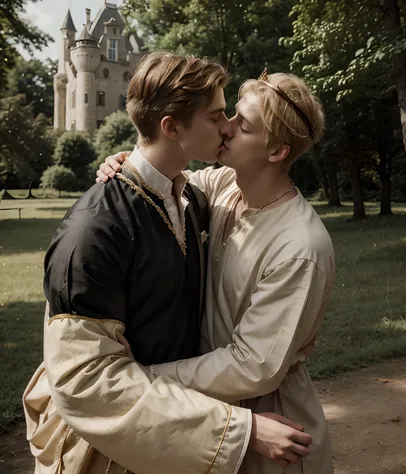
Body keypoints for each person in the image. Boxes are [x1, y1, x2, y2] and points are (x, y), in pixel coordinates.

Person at [23, 53, 313, 474]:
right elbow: (84, 383)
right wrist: (241, 430)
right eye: (216, 117)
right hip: (106, 453)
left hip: (174, 439)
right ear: (172, 127)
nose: (227, 126)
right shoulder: (93, 230)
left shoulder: (193, 198)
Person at [98, 68, 335, 473]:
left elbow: (253, 366)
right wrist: (127, 163)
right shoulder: (223, 184)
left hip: (269, 423)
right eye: (228, 117)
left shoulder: (299, 247)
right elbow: (165, 175)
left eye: (241, 125)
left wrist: (145, 376)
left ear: (277, 151)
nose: (224, 129)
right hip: (201, 410)